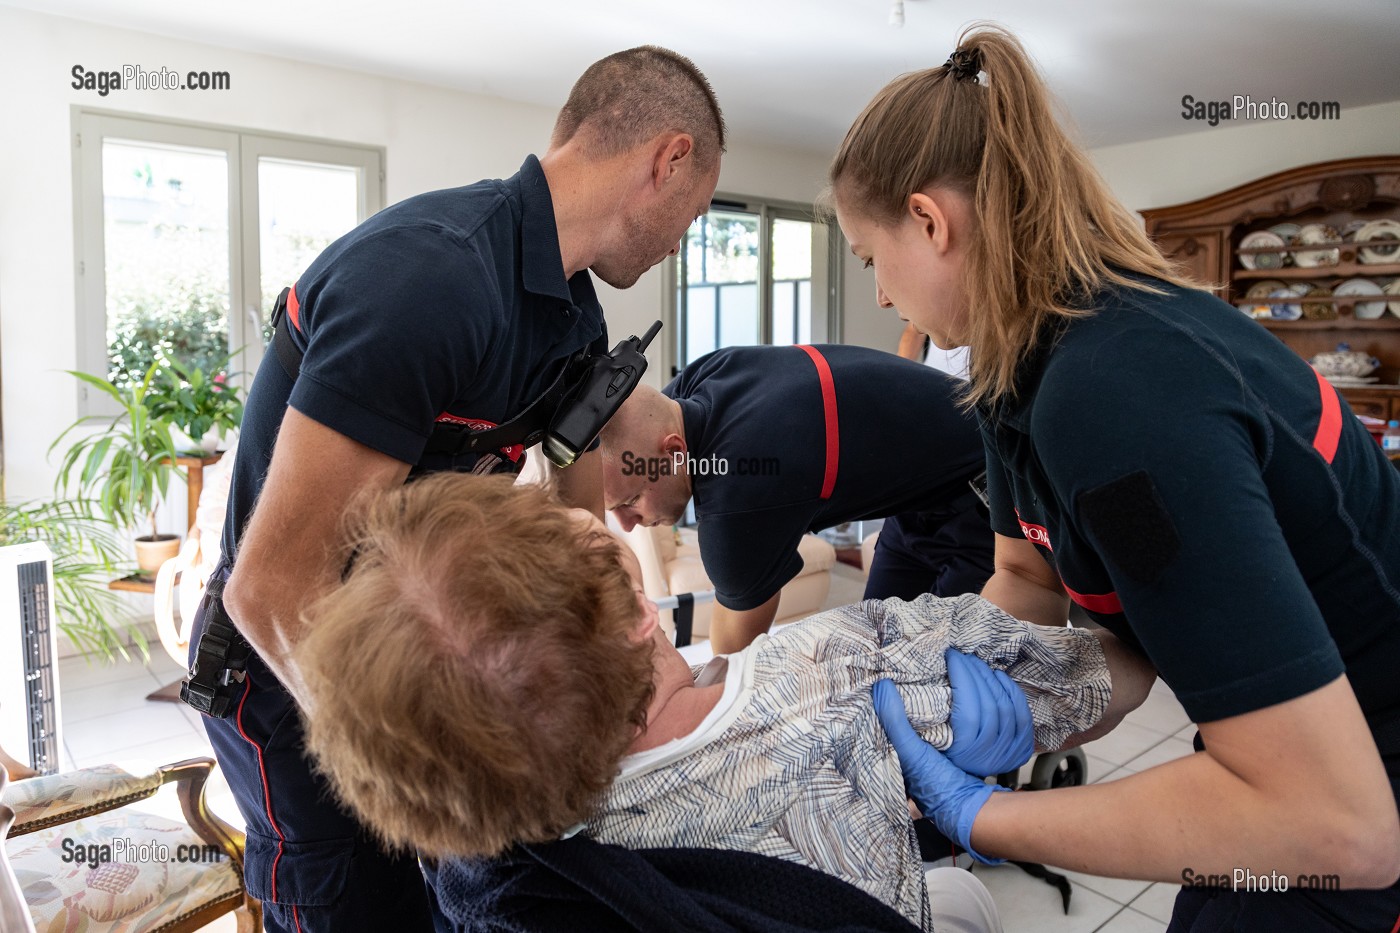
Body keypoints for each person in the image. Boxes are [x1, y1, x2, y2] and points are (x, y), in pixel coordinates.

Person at [828, 23, 1400, 931]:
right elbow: (1035, 583)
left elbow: (1341, 827)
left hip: (1361, 776)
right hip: (1278, 738)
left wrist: (990, 815)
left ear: (930, 221)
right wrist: (986, 698)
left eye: (872, 261)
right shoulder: (1015, 376)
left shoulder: (1115, 392)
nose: (883, 298)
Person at [182, 46, 725, 933]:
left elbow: (565, 539)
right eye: (693, 215)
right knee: (359, 912)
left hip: (418, 674)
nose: (680, 242)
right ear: (666, 161)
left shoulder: (569, 316)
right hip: (290, 674)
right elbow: (269, 585)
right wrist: (430, 780)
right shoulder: (429, 280)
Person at [293, 471, 1157, 932]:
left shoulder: (482, 857)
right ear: (640, 615)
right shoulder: (831, 669)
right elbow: (1120, 671)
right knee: (964, 903)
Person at [600, 344, 995, 653]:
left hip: (988, 487)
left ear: (674, 453)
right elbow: (643, 418)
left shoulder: (740, 496)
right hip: (919, 500)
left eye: (630, 501)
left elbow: (733, 653)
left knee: (955, 691)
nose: (627, 523)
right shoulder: (701, 379)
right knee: (880, 652)